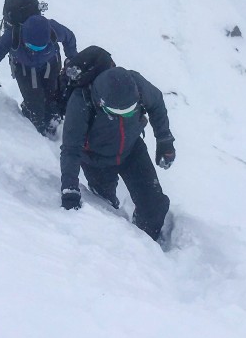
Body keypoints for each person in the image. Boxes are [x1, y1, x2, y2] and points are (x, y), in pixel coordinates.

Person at [59, 63, 176, 240]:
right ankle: (123, 245)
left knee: (153, 206)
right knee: (106, 207)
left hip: (132, 150)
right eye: (117, 113)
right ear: (102, 104)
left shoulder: (137, 84)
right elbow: (70, 149)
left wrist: (164, 140)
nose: (125, 116)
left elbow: (156, 102)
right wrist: (70, 189)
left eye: (130, 112)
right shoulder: (81, 101)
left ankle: (146, 246)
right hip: (96, 160)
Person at [0, 12, 78, 137]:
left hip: (50, 64)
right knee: (35, 103)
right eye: (32, 46)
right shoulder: (13, 35)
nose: (35, 50)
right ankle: (33, 120)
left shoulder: (53, 28)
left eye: (41, 47)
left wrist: (72, 58)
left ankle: (53, 119)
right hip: (25, 69)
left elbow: (69, 37)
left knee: (52, 96)